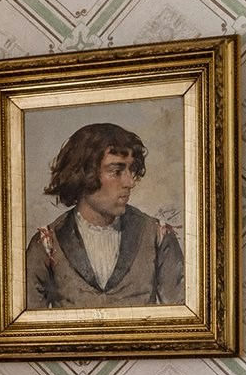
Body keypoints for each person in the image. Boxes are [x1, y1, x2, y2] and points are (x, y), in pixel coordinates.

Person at [24, 122, 183, 309]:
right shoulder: (46, 244)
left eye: (131, 171)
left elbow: (182, 317)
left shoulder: (158, 236)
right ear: (84, 174)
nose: (130, 182)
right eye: (117, 171)